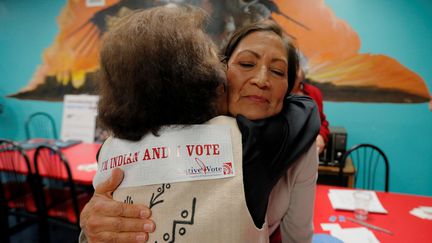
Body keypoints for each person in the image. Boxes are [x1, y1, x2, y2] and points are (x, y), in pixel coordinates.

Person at [80, 6, 320, 243]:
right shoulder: (239, 141)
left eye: (278, 71)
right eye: (246, 64)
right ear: (220, 72)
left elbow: (297, 234)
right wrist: (90, 227)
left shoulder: (295, 142)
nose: (261, 80)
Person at [292, 63, 330, 154]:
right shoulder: (277, 93)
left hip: (308, 151)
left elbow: (322, 122)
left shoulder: (314, 92)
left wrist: (321, 135)